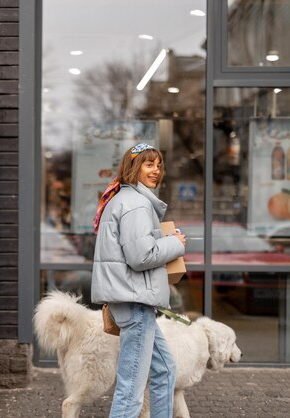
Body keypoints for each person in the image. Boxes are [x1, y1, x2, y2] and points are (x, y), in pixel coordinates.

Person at [91, 143, 186, 418]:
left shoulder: (124, 199)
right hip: (135, 302)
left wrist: (163, 240)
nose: (156, 171)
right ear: (133, 168)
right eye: (148, 164)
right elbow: (140, 256)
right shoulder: (135, 204)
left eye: (158, 165)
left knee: (165, 368)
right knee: (130, 386)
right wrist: (175, 244)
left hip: (132, 300)